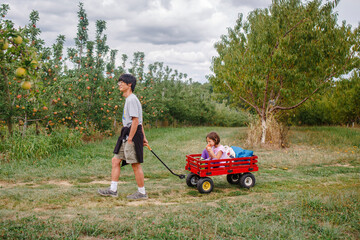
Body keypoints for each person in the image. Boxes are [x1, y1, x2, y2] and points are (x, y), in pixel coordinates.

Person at [98, 74, 149, 200]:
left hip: (131, 133)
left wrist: (131, 138)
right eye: (119, 82)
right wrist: (143, 137)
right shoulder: (129, 99)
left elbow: (136, 121)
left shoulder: (132, 99)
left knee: (135, 164)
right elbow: (139, 121)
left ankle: (142, 193)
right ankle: (113, 190)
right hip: (128, 132)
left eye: (122, 82)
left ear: (129, 84)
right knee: (115, 160)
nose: (119, 84)